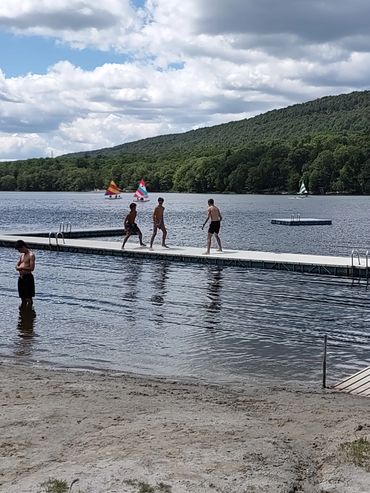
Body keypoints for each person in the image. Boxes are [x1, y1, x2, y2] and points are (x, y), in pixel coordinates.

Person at [15, 240, 36, 309]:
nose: (19, 251)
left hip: (28, 278)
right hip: (21, 278)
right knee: (22, 297)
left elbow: (31, 268)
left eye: (19, 249)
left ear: (23, 247)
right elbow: (17, 265)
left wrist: (21, 267)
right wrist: (18, 267)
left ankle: (29, 313)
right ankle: (23, 313)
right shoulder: (22, 255)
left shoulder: (31, 255)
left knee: (28, 298)